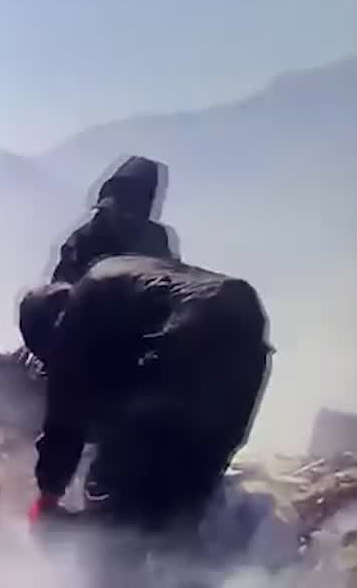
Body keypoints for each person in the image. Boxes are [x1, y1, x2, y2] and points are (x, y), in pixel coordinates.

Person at [20, 255, 272, 534]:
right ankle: (174, 564)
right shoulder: (121, 288)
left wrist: (48, 495)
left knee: (115, 484)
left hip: (193, 335)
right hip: (249, 344)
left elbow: (65, 416)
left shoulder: (80, 307)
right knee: (186, 491)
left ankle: (98, 556)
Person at [50, 156, 177, 285]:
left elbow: (171, 282)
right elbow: (60, 290)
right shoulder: (83, 238)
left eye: (131, 213)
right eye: (119, 210)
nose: (125, 218)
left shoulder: (156, 237)